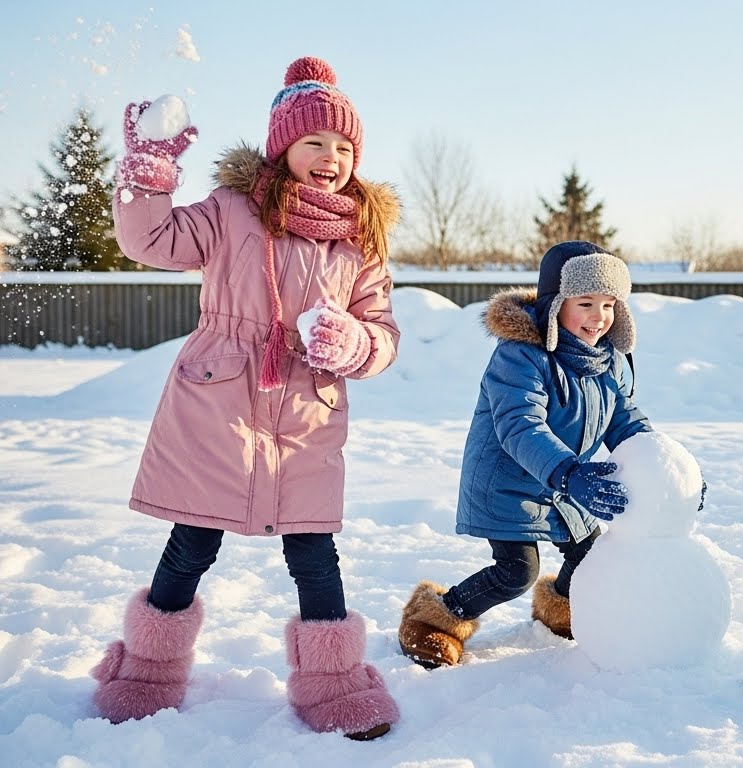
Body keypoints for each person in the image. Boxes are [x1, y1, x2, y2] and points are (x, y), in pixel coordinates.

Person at [91, 56, 401, 740]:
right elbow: (151, 240)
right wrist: (148, 175)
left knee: (314, 553)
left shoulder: (360, 241)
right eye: (315, 142)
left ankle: (334, 684)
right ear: (282, 145)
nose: (330, 157)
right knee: (191, 540)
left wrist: (353, 343)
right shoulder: (232, 211)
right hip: (218, 403)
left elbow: (382, 331)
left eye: (345, 147)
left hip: (306, 414)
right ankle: (144, 671)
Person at [398, 241, 652, 667]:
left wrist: (665, 469)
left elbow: (626, 419)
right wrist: (569, 474)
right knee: (517, 572)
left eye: (609, 305)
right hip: (508, 482)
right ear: (555, 305)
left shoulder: (605, 361)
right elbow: (520, 425)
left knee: (591, 556)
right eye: (586, 302)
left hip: (564, 481)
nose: (599, 317)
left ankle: (561, 614)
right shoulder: (520, 355)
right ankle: (434, 621)